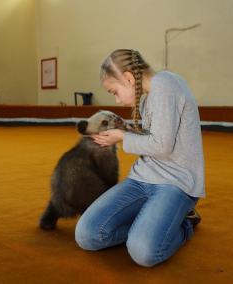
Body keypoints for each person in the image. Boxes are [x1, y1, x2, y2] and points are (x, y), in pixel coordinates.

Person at [75, 49, 205, 267]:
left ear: (128, 78)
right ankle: (150, 225)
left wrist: (121, 136)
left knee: (143, 252)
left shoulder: (165, 85)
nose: (116, 100)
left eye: (114, 91)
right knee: (87, 235)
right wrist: (121, 130)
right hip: (141, 179)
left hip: (175, 184)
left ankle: (185, 223)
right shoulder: (146, 99)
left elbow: (161, 146)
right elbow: (151, 138)